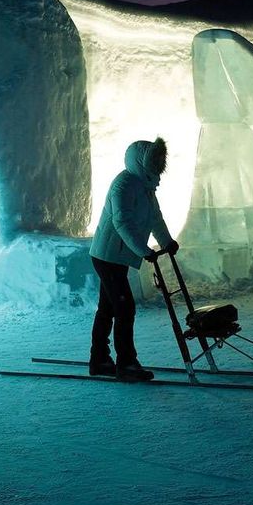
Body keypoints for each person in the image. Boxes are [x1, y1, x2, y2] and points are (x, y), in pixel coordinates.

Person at [88, 137, 179, 382]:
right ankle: (125, 363)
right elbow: (121, 222)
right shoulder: (124, 185)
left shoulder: (146, 188)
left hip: (118, 256)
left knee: (109, 308)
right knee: (124, 308)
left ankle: (99, 359)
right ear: (142, 161)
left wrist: (167, 242)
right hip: (107, 256)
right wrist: (143, 250)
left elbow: (155, 219)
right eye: (154, 161)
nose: (157, 166)